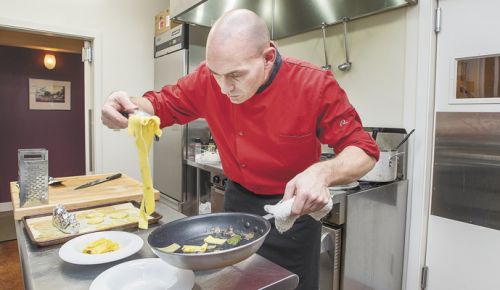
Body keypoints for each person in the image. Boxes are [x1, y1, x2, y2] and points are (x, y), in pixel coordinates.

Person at [102, 9, 378, 290]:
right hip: (238, 206)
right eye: (216, 74)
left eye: (235, 75)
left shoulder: (313, 84)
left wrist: (323, 173)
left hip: (294, 212)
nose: (223, 88)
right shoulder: (209, 82)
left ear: (268, 57)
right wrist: (126, 107)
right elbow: (160, 105)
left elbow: (364, 149)